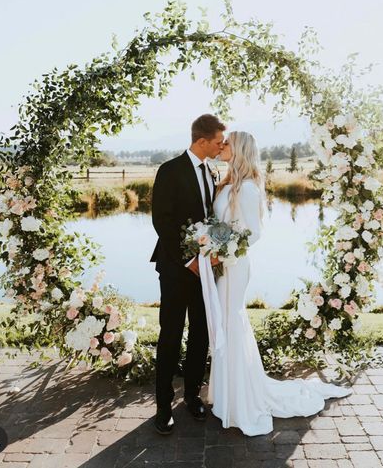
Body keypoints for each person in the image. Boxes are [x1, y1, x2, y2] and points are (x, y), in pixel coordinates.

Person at [207, 131, 353, 436]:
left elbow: (254, 233)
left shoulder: (246, 188)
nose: (222, 147)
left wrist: (224, 251)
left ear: (239, 150)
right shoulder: (226, 182)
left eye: (227, 144)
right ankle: (226, 396)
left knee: (231, 322)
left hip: (235, 265)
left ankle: (240, 401)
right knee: (224, 322)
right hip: (222, 265)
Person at [150, 113, 226, 435]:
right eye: (218, 142)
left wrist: (213, 254)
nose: (222, 147)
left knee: (200, 333)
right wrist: (188, 260)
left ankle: (192, 396)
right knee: (170, 334)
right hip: (175, 268)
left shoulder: (213, 171)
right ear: (201, 140)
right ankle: (163, 406)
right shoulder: (169, 171)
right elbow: (162, 221)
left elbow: (211, 219)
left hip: (205, 270)